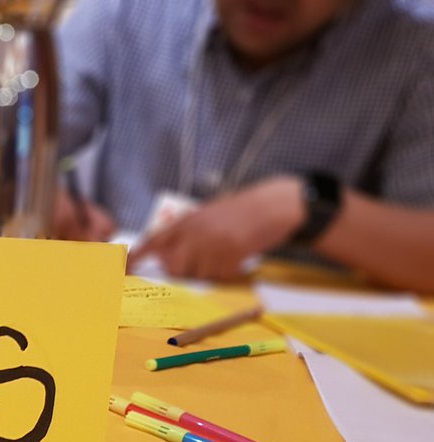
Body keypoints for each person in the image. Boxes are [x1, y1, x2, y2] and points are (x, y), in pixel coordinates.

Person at [53, 0, 434, 293]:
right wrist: (39, 195)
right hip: (121, 301)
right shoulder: (129, 9)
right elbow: (26, 133)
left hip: (301, 345)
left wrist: (306, 206)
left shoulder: (413, 47)